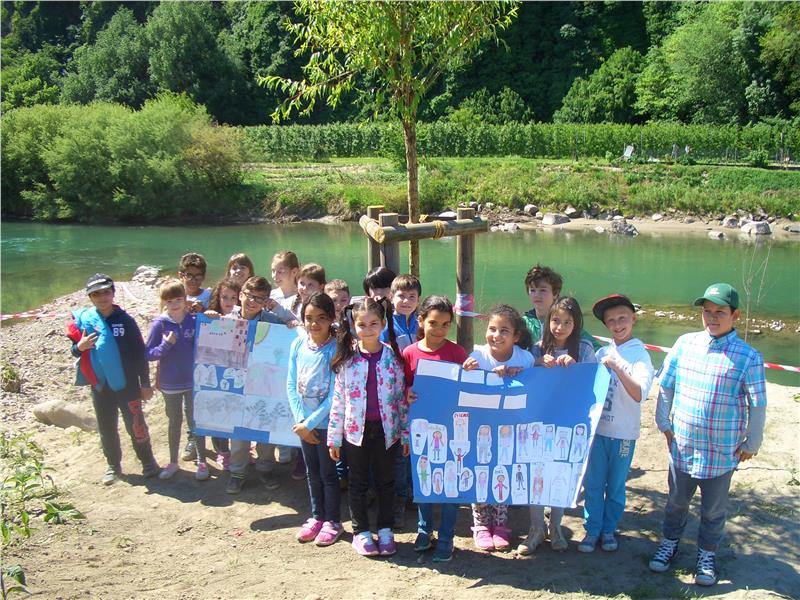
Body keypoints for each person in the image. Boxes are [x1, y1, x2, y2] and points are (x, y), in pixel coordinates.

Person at [649, 283, 766, 587]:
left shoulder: (748, 356)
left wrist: (753, 441)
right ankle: (669, 543)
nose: (712, 317)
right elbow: (667, 385)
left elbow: (757, 404)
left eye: (720, 312)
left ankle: (707, 554)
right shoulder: (685, 343)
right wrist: (663, 422)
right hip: (684, 446)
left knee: (713, 510)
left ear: (735, 315)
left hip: (721, 451)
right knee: (676, 501)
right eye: (707, 311)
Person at [328, 297, 408, 557]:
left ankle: (385, 530)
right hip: (355, 432)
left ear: (383, 324)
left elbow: (400, 398)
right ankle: (361, 532)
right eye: (362, 324)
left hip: (387, 431)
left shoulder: (392, 357)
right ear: (353, 326)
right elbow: (339, 400)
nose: (368, 329)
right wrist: (334, 438)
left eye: (374, 323)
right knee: (358, 483)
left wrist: (405, 434)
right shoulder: (348, 359)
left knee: (386, 482)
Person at [519, 296, 597, 555]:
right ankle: (536, 528)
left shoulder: (583, 348)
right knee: (536, 472)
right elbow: (526, 379)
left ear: (576, 324)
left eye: (567, 322)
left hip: (570, 421)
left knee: (562, 471)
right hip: (540, 420)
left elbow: (593, 381)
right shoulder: (537, 349)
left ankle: (555, 526)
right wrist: (538, 364)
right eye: (555, 320)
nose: (560, 327)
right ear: (548, 321)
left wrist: (576, 368)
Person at [578, 294, 654, 553]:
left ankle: (609, 529)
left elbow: (639, 394)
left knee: (616, 485)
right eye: (611, 320)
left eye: (622, 318)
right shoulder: (602, 352)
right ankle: (592, 530)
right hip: (598, 432)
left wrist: (618, 368)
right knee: (593, 483)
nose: (617, 324)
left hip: (623, 434)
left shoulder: (640, 356)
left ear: (633, 319)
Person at [66, 274, 159, 485]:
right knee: (107, 427)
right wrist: (80, 347)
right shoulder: (86, 321)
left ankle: (148, 461)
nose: (102, 298)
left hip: (128, 385)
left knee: (136, 425)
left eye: (106, 292)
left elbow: (140, 354)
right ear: (90, 297)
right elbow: (75, 350)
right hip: (101, 387)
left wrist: (145, 384)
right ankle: (113, 465)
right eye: (96, 294)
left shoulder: (126, 321)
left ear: (113, 293)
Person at [462, 304, 534, 552]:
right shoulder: (478, 356)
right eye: (492, 329)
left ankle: (501, 524)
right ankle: (481, 525)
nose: (497, 335)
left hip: (508, 428)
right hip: (480, 427)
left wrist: (518, 374)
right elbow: (464, 386)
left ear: (516, 336)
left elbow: (534, 386)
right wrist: (468, 370)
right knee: (481, 470)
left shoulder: (525, 358)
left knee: (503, 470)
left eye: (504, 331)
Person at [404, 295, 468, 563]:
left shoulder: (457, 353)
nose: (439, 329)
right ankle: (424, 530)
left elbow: (467, 387)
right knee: (424, 481)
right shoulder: (409, 353)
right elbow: (402, 387)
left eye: (445, 324)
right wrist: (407, 393)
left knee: (451, 485)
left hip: (452, 429)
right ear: (421, 321)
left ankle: (446, 537)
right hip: (422, 431)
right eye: (433, 323)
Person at [225, 276, 298, 495]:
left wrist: (281, 312)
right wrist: (209, 317)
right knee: (239, 434)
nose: (253, 301)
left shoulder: (272, 321)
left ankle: (266, 468)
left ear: (266, 301)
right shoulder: (227, 319)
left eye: (260, 298)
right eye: (250, 296)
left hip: (265, 385)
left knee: (265, 430)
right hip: (238, 386)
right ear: (241, 294)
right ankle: (237, 472)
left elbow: (296, 324)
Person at [287, 293, 343, 547]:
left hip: (325, 424)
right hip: (304, 426)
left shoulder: (336, 348)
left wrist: (310, 424)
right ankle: (317, 516)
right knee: (312, 472)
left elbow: (335, 393)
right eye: (309, 318)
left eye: (321, 318)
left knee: (328, 474)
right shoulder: (298, 345)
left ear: (331, 318)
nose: (314, 323)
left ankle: (333, 521)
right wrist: (301, 422)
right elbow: (291, 384)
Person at [145, 279, 209, 481]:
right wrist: (165, 345)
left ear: (185, 299)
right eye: (169, 301)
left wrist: (208, 315)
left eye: (178, 299)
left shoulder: (194, 320)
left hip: (193, 381)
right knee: (174, 422)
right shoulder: (160, 324)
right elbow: (148, 353)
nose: (174, 304)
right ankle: (173, 462)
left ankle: (202, 461)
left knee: (195, 422)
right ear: (163, 302)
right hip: (170, 383)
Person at [381, 274, 421, 529]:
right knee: (399, 449)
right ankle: (398, 499)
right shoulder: (386, 326)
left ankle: (414, 491)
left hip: (417, 393)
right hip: (394, 394)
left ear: (418, 299)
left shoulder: (421, 323)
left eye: (412, 296)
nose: (406, 301)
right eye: (401, 296)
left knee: (416, 444)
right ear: (391, 297)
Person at [203, 277, 242, 468]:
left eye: (233, 297)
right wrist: (208, 317)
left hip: (236, 370)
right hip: (216, 370)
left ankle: (240, 450)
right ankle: (222, 450)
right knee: (217, 410)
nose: (229, 301)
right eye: (225, 297)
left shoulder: (242, 319)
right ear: (217, 297)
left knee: (235, 409)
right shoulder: (211, 317)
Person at [522, 264, 600, 349]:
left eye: (543, 290)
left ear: (555, 293)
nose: (537, 295)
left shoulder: (566, 321)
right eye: (532, 290)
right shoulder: (524, 323)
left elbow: (597, 350)